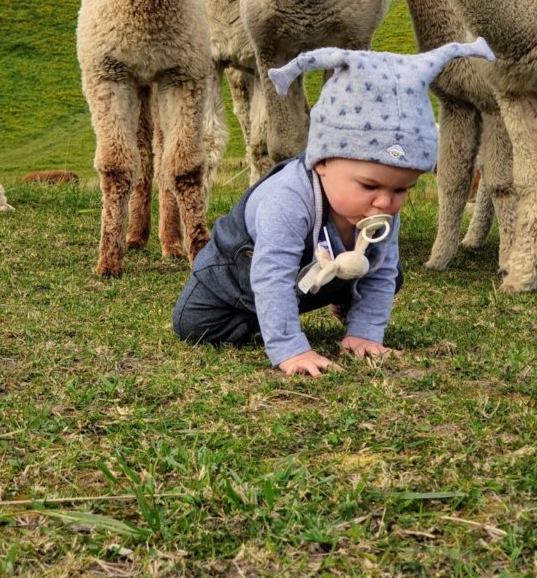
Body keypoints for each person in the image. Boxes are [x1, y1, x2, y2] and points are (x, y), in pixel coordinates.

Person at [172, 40, 494, 377]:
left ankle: (331, 304)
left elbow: (382, 273)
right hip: (237, 276)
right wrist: (289, 348)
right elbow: (272, 274)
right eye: (370, 186)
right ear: (322, 161)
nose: (385, 202)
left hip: (313, 277)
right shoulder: (286, 199)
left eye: (402, 189)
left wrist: (365, 333)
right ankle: (265, 317)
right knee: (194, 324)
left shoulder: (380, 209)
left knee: (387, 270)